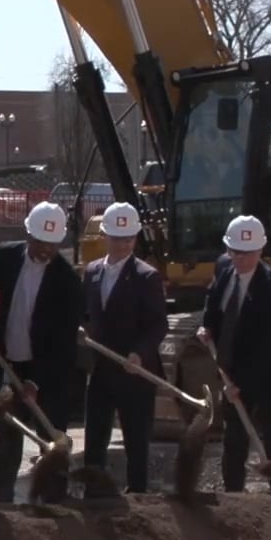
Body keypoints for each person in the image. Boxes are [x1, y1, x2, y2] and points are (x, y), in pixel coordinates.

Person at [0, 201, 81, 503]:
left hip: (48, 374)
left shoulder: (67, 281)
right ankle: (1, 499)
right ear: (28, 234)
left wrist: (36, 382)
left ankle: (53, 503)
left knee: (51, 439)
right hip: (10, 363)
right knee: (8, 433)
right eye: (40, 242)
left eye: (52, 244)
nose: (45, 250)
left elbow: (64, 344)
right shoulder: (5, 257)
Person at [198, 214, 271, 493]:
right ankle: (233, 498)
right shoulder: (224, 267)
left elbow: (269, 347)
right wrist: (207, 326)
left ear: (260, 250)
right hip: (233, 368)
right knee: (234, 440)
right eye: (235, 253)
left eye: (247, 254)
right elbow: (213, 298)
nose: (240, 259)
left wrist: (240, 385)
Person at [82, 202, 168, 496]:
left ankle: (138, 495)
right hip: (102, 370)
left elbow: (158, 325)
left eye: (128, 238)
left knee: (136, 438)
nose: (123, 244)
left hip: (134, 371)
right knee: (95, 436)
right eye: (117, 237)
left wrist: (139, 353)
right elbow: (87, 315)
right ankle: (93, 493)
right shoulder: (92, 273)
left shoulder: (147, 276)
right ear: (106, 236)